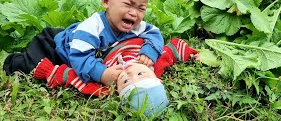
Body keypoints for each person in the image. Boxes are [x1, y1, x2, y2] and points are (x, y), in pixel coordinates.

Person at [3, 0, 164, 88]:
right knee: (29, 66)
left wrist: (149, 50)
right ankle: (11, 60)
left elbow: (154, 33)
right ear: (106, 2)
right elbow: (80, 57)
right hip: (54, 46)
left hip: (78, 43)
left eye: (141, 8)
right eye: (128, 4)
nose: (134, 13)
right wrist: (102, 73)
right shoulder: (93, 27)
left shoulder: (135, 25)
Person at [33, 37, 199, 117]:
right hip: (133, 33)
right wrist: (192, 53)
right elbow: (173, 48)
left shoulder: (107, 86)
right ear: (157, 78)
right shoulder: (155, 64)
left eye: (126, 81)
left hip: (103, 44)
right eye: (141, 74)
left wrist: (49, 71)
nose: (129, 71)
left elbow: (77, 79)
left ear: (117, 91)